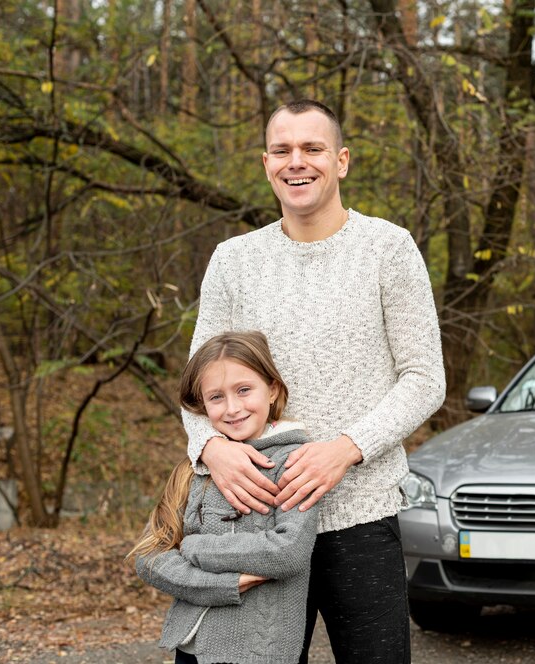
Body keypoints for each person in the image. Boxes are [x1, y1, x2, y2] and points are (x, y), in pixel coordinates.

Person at [182, 99, 446, 663]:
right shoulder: (234, 261)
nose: (296, 162)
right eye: (282, 150)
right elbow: (196, 387)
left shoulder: (388, 249)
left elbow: (425, 379)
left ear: (341, 160)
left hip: (360, 515)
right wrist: (209, 449)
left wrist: (346, 450)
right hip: (256, 520)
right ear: (266, 162)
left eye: (312, 148)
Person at [130, 330, 319, 664]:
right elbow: (149, 556)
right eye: (216, 397)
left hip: (261, 651)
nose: (232, 408)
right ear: (202, 405)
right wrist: (220, 584)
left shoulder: (296, 461)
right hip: (192, 646)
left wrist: (195, 547)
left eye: (244, 390)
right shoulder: (197, 469)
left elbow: (288, 552)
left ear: (272, 390)